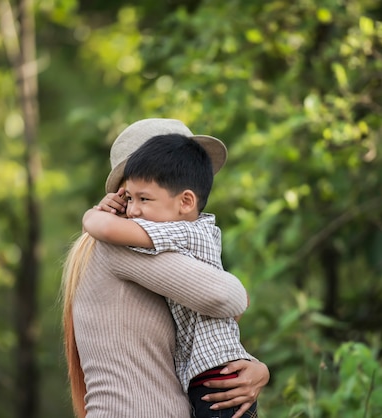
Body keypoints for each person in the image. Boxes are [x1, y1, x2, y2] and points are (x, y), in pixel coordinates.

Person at [61, 118, 269, 418]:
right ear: (124, 193)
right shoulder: (118, 246)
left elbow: (200, 332)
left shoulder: (138, 253)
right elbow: (230, 297)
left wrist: (254, 368)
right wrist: (91, 217)